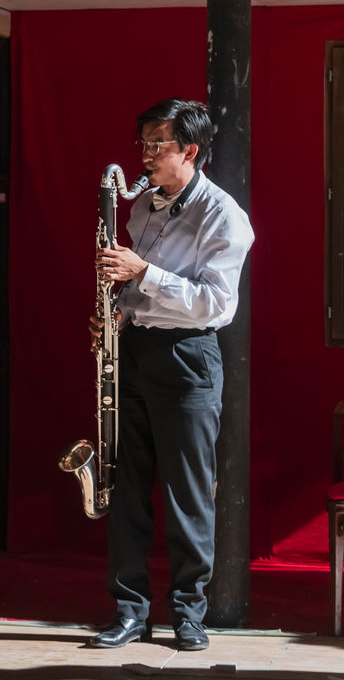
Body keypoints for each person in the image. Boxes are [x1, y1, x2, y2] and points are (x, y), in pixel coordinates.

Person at [89, 99, 254, 651]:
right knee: (126, 485)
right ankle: (129, 612)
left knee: (188, 493)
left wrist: (144, 271)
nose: (145, 155)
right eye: (142, 143)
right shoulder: (143, 207)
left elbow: (216, 305)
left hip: (189, 356)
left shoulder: (224, 215)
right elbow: (140, 293)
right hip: (136, 350)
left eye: (157, 144)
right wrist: (116, 312)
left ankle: (189, 615)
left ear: (190, 150)